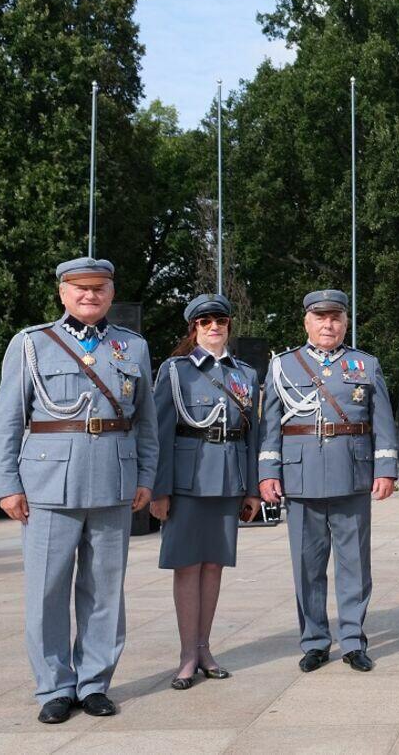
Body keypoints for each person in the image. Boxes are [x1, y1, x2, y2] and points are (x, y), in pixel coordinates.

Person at [0, 257, 158, 723]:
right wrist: (7, 484)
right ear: (63, 293)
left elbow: (145, 421)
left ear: (110, 293)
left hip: (113, 481)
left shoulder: (132, 346)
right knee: (46, 592)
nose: (90, 296)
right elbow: (8, 418)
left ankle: (94, 683)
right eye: (80, 288)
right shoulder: (32, 343)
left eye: (99, 288)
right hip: (48, 485)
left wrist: (146, 476)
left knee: (105, 591)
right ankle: (54, 687)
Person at [258, 289, 398, 674]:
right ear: (306, 321)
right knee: (307, 566)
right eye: (320, 317)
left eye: (335, 317)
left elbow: (382, 421)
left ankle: (352, 640)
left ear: (345, 322)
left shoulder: (365, 364)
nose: (328, 325)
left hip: (352, 475)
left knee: (355, 564)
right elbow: (270, 426)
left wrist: (386, 469)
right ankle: (315, 641)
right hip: (300, 477)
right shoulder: (284, 366)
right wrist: (268, 472)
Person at [151, 294, 262, 689]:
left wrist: (252, 489)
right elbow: (160, 432)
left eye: (221, 320)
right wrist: (159, 490)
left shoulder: (245, 374)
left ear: (229, 325)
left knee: (214, 565)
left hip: (229, 479)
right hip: (188, 481)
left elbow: (252, 435)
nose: (214, 327)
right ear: (194, 328)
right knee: (187, 566)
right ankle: (186, 655)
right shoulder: (175, 371)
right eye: (205, 322)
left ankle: (204, 648)